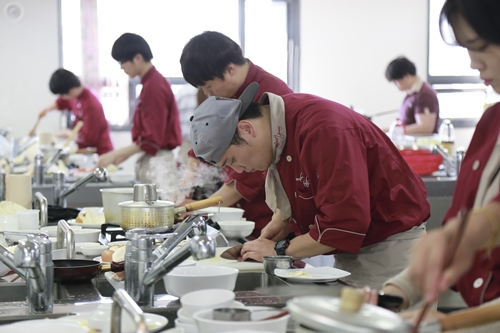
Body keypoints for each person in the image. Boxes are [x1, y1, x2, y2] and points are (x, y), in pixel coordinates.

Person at [189, 82, 430, 289]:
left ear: (246, 128)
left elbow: (344, 223)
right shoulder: (279, 131)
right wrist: (282, 223)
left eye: (233, 161)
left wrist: (279, 250)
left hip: (389, 250)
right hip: (356, 251)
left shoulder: (323, 129)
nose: (239, 171)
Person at [371, 1, 500, 331]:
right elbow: (453, 244)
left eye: (480, 46)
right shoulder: (490, 124)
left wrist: (453, 324)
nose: (473, 63)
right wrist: (395, 293)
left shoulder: (425, 95)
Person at [179, 31, 293, 238]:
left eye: (209, 86)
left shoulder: (270, 95)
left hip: (269, 213)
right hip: (240, 213)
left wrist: (199, 208)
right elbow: (207, 139)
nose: (207, 93)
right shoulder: (227, 94)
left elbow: (248, 176)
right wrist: (185, 187)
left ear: (230, 69)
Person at [97, 33, 182, 183]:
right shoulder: (150, 84)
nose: (122, 67)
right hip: (155, 158)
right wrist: (122, 155)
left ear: (138, 58)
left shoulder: (154, 86)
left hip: (159, 161)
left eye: (123, 62)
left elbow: (152, 139)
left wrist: (114, 154)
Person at [37, 69, 113, 155]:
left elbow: (89, 138)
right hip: (84, 151)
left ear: (72, 90)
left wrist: (67, 133)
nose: (62, 97)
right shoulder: (75, 95)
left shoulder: (91, 105)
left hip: (99, 153)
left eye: (62, 94)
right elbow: (61, 102)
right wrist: (46, 110)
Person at [385, 56, 441, 135]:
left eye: (396, 81)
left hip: (422, 145)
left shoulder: (425, 94)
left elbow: (425, 128)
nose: (395, 85)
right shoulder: (411, 93)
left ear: (406, 76)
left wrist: (395, 131)